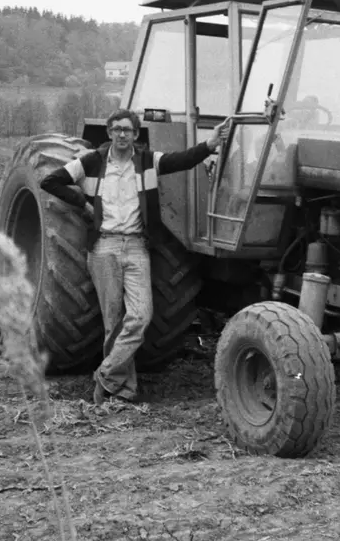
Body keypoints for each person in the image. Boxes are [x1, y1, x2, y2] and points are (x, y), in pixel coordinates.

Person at [40, 109, 230, 405]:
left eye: (127, 130)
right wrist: (82, 203)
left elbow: (182, 160)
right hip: (104, 247)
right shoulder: (91, 162)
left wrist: (210, 144)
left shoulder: (147, 162)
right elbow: (50, 181)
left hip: (137, 247)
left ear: (135, 134)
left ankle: (105, 373)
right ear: (109, 133)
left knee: (140, 316)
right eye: (116, 129)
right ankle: (122, 389)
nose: (121, 134)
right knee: (113, 322)